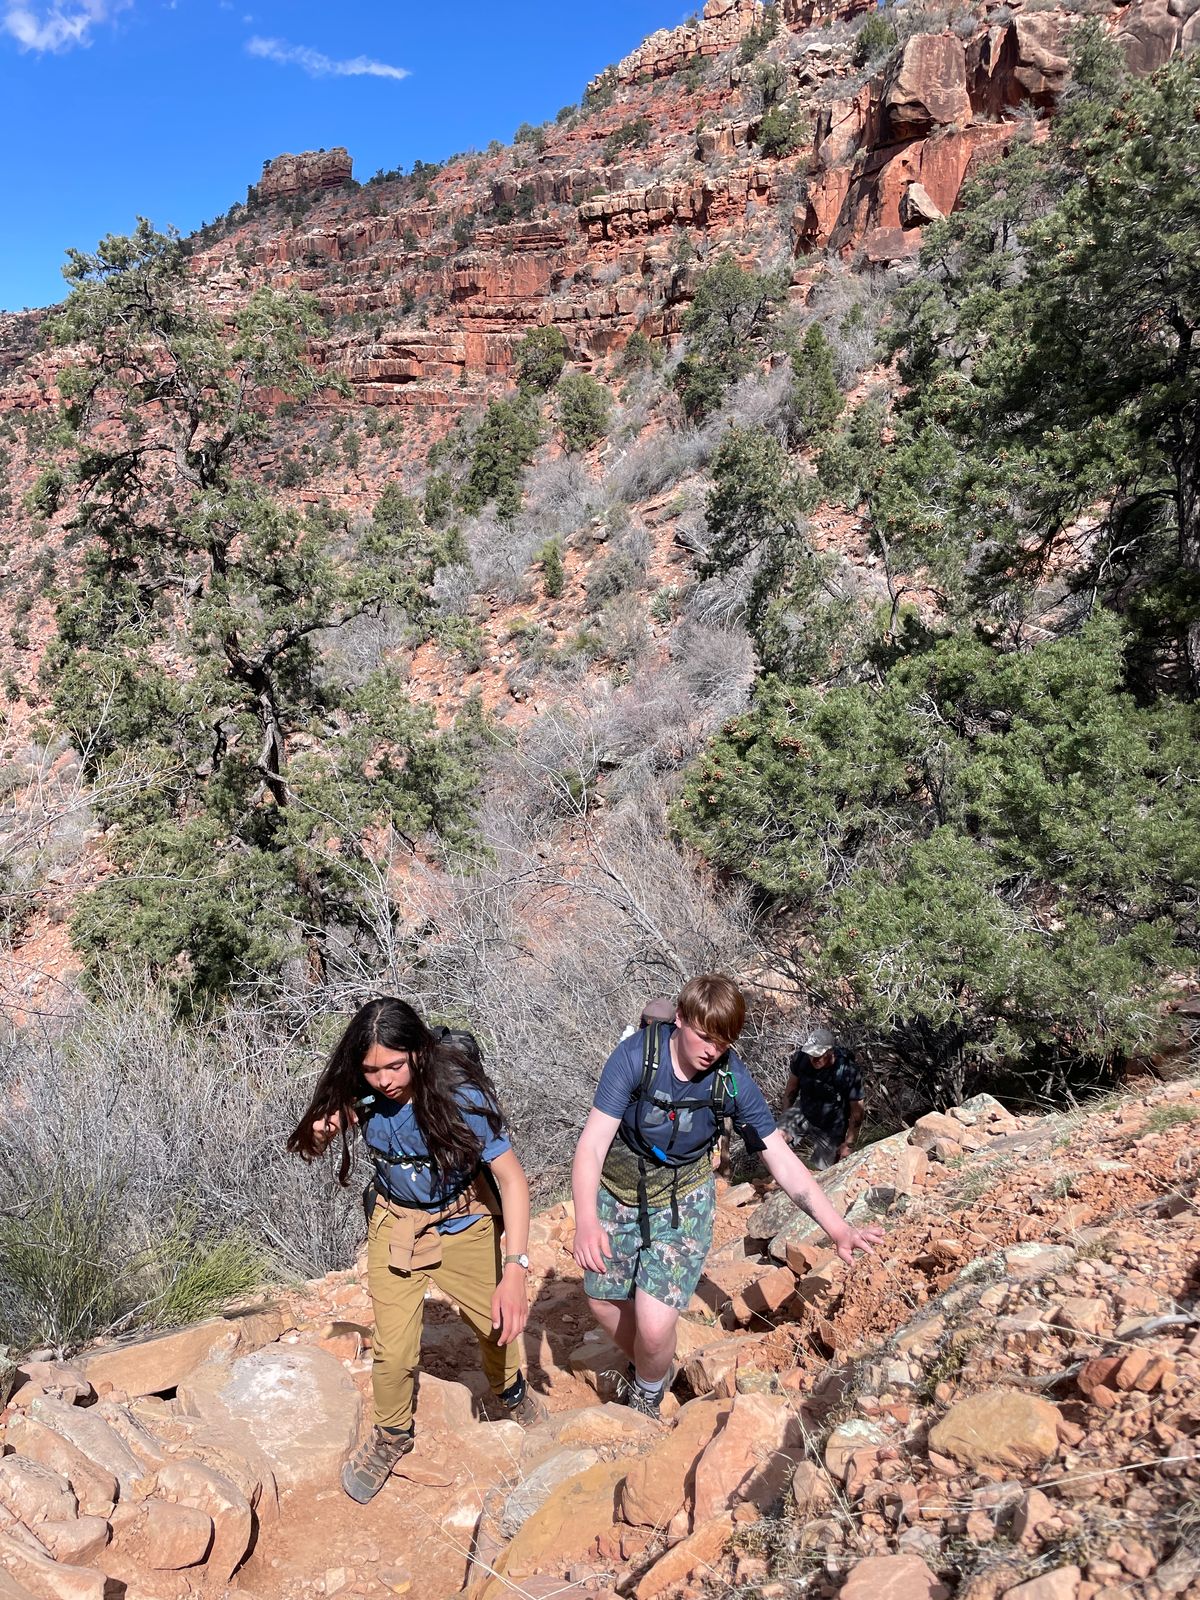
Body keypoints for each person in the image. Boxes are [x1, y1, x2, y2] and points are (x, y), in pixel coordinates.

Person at [570, 975, 883, 1419]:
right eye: (704, 1036)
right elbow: (592, 1145)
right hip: (620, 1191)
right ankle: (651, 1363)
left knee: (655, 1327)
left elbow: (779, 1158)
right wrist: (586, 1220)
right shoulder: (636, 1057)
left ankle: (647, 1393)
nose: (712, 1051)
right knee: (603, 1301)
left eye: (723, 1042)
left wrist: (838, 1229)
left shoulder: (731, 1080)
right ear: (680, 1018)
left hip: (682, 1199)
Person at [288, 997, 546, 1504]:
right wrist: (324, 1129)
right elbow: (325, 1130)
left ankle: (511, 1392)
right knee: (394, 1347)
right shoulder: (361, 1092)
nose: (384, 1080)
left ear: (419, 1052)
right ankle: (392, 1434)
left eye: (394, 1066)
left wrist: (515, 1269)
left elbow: (513, 1181)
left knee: (495, 1324)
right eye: (372, 1070)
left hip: (463, 1219)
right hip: (396, 1222)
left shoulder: (460, 1096)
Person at [780, 1026, 865, 1170]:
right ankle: (776, 1176)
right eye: (810, 1054)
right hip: (804, 1109)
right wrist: (785, 1120)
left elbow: (857, 1112)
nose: (813, 1059)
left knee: (822, 1170)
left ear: (830, 1052)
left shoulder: (848, 1071)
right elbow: (791, 1090)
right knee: (776, 1139)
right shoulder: (801, 1059)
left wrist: (849, 1143)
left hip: (832, 1124)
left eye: (818, 1055)